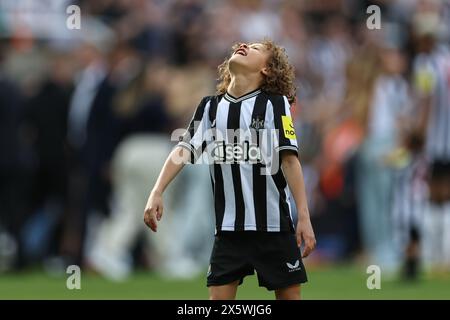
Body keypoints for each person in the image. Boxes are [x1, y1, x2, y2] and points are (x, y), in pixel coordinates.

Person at [143, 40, 316, 300]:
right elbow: (183, 150)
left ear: (267, 70)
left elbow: (289, 160)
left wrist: (303, 216)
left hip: (273, 227)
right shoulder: (210, 107)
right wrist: (157, 191)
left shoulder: (275, 104)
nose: (245, 45)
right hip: (228, 230)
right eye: (245, 44)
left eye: (256, 48)